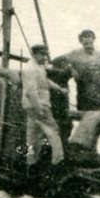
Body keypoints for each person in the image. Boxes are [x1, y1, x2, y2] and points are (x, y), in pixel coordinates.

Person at [21, 44, 68, 175]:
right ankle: (57, 161)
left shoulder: (38, 66)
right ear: (34, 54)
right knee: (53, 131)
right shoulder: (30, 69)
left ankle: (30, 162)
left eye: (46, 54)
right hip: (38, 105)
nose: (45, 57)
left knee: (31, 136)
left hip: (31, 106)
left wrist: (59, 88)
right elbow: (31, 91)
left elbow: (45, 81)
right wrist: (39, 108)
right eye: (42, 54)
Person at [56, 29, 100, 112]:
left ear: (94, 40)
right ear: (81, 42)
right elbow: (58, 60)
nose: (89, 46)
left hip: (99, 93)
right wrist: (71, 69)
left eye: (91, 43)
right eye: (86, 43)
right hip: (83, 93)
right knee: (84, 117)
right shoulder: (74, 54)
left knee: (99, 117)